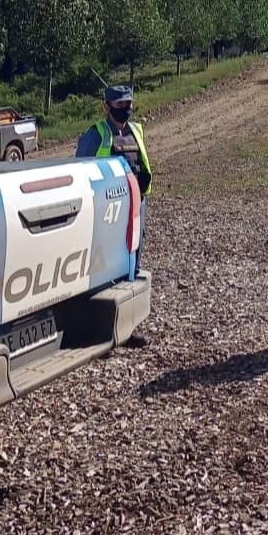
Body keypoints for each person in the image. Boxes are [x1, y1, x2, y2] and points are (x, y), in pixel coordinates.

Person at [76, 84, 153, 344]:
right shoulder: (95, 135)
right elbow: (80, 170)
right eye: (120, 105)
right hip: (108, 211)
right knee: (107, 266)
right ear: (107, 107)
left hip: (136, 205)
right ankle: (101, 330)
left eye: (129, 104)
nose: (126, 109)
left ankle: (128, 327)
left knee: (132, 264)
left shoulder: (136, 130)